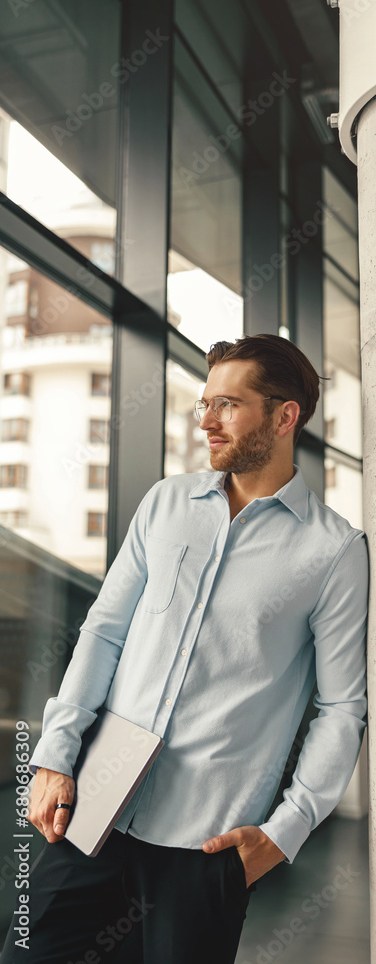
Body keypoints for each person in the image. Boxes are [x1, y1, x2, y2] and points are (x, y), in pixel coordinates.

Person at [1, 333, 368, 964]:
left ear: (285, 417)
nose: (207, 421)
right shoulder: (165, 504)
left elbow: (342, 709)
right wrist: (56, 756)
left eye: (227, 405)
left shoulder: (334, 552)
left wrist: (284, 833)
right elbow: (104, 631)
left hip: (207, 844)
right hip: (96, 806)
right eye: (204, 404)